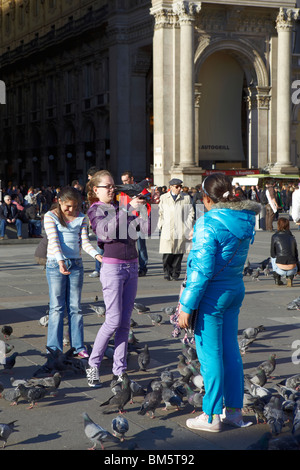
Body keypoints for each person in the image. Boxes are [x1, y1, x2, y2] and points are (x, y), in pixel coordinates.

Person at [178, 173, 260, 432]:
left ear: (206, 198)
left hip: (212, 295)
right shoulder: (246, 218)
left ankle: (211, 415)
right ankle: (234, 412)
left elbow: (201, 271)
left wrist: (186, 305)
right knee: (231, 351)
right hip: (235, 288)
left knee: (209, 355)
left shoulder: (207, 223)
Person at [84, 170, 150, 387]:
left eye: (113, 186)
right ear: (96, 189)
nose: (112, 190)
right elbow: (106, 233)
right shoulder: (96, 210)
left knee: (124, 323)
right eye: (108, 186)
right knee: (112, 320)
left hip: (132, 266)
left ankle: (119, 370)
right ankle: (93, 366)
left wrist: (143, 211)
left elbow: (144, 231)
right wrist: (127, 209)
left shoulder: (119, 207)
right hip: (112, 268)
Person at [44, 186, 102, 358]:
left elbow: (84, 242)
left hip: (76, 264)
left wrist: (98, 256)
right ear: (59, 202)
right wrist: (61, 262)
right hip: (55, 264)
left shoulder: (82, 218)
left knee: (75, 307)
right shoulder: (50, 216)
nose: (71, 210)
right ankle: (54, 348)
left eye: (75, 207)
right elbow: (54, 242)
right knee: (57, 307)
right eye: (68, 206)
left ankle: (78, 346)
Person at [157, 178, 194, 280]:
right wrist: (161, 224)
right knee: (167, 253)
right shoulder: (164, 197)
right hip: (167, 228)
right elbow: (160, 212)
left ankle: (175, 273)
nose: (179, 189)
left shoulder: (186, 198)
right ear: (171, 187)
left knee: (178, 253)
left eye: (180, 187)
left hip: (181, 228)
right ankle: (167, 272)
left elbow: (190, 212)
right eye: (177, 187)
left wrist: (188, 225)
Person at [121, 170, 149, 277]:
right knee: (128, 245)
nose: (124, 183)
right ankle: (130, 267)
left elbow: (148, 204)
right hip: (127, 221)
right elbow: (122, 205)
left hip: (139, 221)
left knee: (141, 246)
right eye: (123, 181)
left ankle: (143, 267)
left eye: (126, 180)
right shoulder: (123, 191)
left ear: (132, 179)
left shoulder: (142, 189)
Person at [271, 217, 299, 287]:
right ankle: (290, 277)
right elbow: (296, 254)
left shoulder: (274, 236)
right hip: (292, 268)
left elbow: (272, 253)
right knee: (293, 257)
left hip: (279, 268)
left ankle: (277, 278)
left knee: (273, 257)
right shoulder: (292, 237)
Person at [86, 166, 104, 278]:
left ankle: (98, 269)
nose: (88, 179)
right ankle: (99, 268)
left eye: (89, 177)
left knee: (100, 246)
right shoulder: (91, 188)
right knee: (100, 246)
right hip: (98, 218)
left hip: (102, 218)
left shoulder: (98, 187)